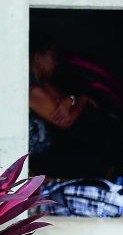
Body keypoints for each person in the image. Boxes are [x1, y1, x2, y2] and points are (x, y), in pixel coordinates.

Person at [27, 32, 112, 179]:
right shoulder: (31, 88)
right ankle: (106, 170)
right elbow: (65, 121)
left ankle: (108, 164)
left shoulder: (40, 80)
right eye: (53, 58)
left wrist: (70, 99)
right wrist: (83, 97)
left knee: (87, 112)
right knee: (96, 166)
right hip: (36, 156)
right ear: (38, 57)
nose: (56, 63)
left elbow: (62, 98)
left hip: (48, 143)